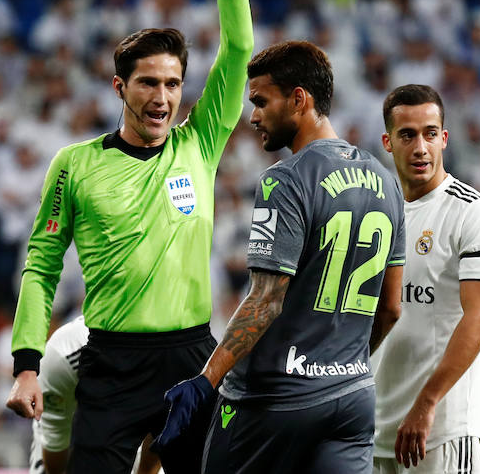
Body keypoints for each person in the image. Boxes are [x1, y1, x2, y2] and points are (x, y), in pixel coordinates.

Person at [6, 0, 253, 474]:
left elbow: (240, 47)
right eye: (147, 83)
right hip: (110, 362)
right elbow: (41, 266)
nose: (162, 96)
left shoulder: (200, 142)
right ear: (121, 88)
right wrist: (25, 363)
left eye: (172, 83)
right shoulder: (75, 164)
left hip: (192, 357)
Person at [154, 41, 406, 474]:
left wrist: (205, 382)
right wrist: (339, 363)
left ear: (298, 100)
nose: (252, 116)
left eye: (260, 101)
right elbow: (392, 307)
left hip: (272, 401)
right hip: (351, 398)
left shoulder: (285, 179)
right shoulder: (386, 181)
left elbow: (266, 300)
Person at [374, 85, 480, 473]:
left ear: (444, 139)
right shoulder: (381, 213)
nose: (420, 147)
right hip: (378, 429)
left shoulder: (472, 214)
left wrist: (427, 403)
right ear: (388, 141)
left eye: (430, 134)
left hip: (443, 432)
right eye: (408, 135)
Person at [27, 316, 160, 474]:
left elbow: (160, 432)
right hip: (70, 429)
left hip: (138, 428)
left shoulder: (170, 350)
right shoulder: (63, 353)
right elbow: (56, 453)